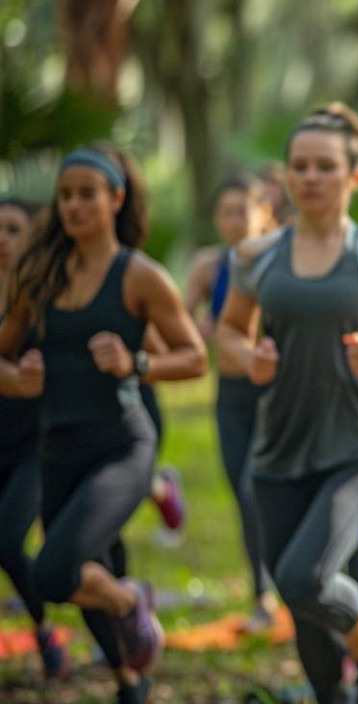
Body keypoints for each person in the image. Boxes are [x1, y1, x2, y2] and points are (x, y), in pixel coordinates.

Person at [218, 103, 358, 704]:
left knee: (305, 578)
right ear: (287, 175)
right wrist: (247, 357)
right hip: (277, 451)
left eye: (325, 166)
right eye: (300, 166)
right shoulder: (255, 256)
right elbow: (229, 332)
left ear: (354, 176)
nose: (311, 176)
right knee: (302, 614)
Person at [0, 145, 208, 704]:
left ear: (116, 198)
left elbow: (195, 358)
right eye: (65, 196)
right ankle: (129, 675)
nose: (74, 205)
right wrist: (17, 379)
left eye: (87, 194)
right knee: (92, 569)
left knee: (56, 572)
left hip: (122, 447)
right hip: (56, 449)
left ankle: (129, 602)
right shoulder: (37, 276)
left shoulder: (140, 276)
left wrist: (135, 362)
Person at [184, 175, 279, 626]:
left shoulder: (281, 261)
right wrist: (199, 329)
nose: (234, 221)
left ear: (265, 213)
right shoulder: (210, 266)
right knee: (242, 496)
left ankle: (283, 580)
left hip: (273, 394)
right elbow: (180, 321)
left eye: (243, 211)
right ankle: (262, 593)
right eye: (226, 213)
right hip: (229, 395)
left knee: (254, 489)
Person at [0, 197, 69, 681]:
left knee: (6, 539)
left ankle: (46, 630)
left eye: (13, 229)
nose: (2, 239)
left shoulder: (47, 298)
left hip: (36, 446)